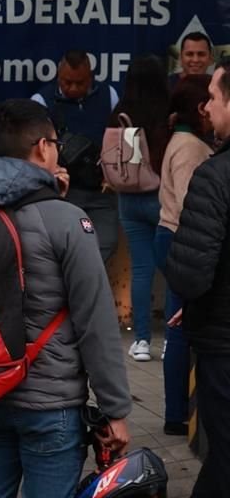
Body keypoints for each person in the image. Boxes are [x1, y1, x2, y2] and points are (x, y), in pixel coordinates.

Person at [0, 99, 130, 498]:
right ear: (43, 147)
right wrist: (115, 409)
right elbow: (94, 319)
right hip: (50, 404)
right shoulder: (65, 220)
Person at [165, 56, 230, 498]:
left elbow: (191, 272)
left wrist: (190, 302)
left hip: (224, 343)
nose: (206, 106)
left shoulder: (216, 174)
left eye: (213, 96)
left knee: (224, 457)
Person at [155, 75, 213, 436]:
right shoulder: (191, 147)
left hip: (171, 236)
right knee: (180, 328)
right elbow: (194, 203)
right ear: (200, 108)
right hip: (180, 238)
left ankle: (178, 412)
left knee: (179, 328)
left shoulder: (183, 140)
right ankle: (177, 413)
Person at [31, 49, 120, 262]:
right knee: (65, 251)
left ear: (91, 77)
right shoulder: (41, 101)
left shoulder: (110, 95)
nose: (72, 88)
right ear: (57, 76)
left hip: (101, 193)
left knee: (105, 245)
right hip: (63, 193)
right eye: (66, 82)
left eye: (80, 83)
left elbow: (120, 139)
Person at [109, 56, 170, 362]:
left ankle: (143, 341)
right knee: (171, 270)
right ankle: (173, 339)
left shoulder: (120, 110)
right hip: (161, 195)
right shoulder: (167, 111)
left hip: (128, 197)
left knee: (142, 270)